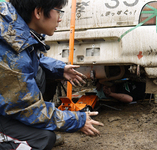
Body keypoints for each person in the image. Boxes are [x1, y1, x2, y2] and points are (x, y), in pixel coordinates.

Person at [0, 0, 103, 150]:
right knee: (42, 139)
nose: (60, 18)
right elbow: (28, 108)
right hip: (16, 106)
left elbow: (28, 58)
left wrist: (59, 69)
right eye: (58, 11)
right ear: (38, 12)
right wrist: (76, 120)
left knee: (40, 73)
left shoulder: (9, 23)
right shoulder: (10, 50)